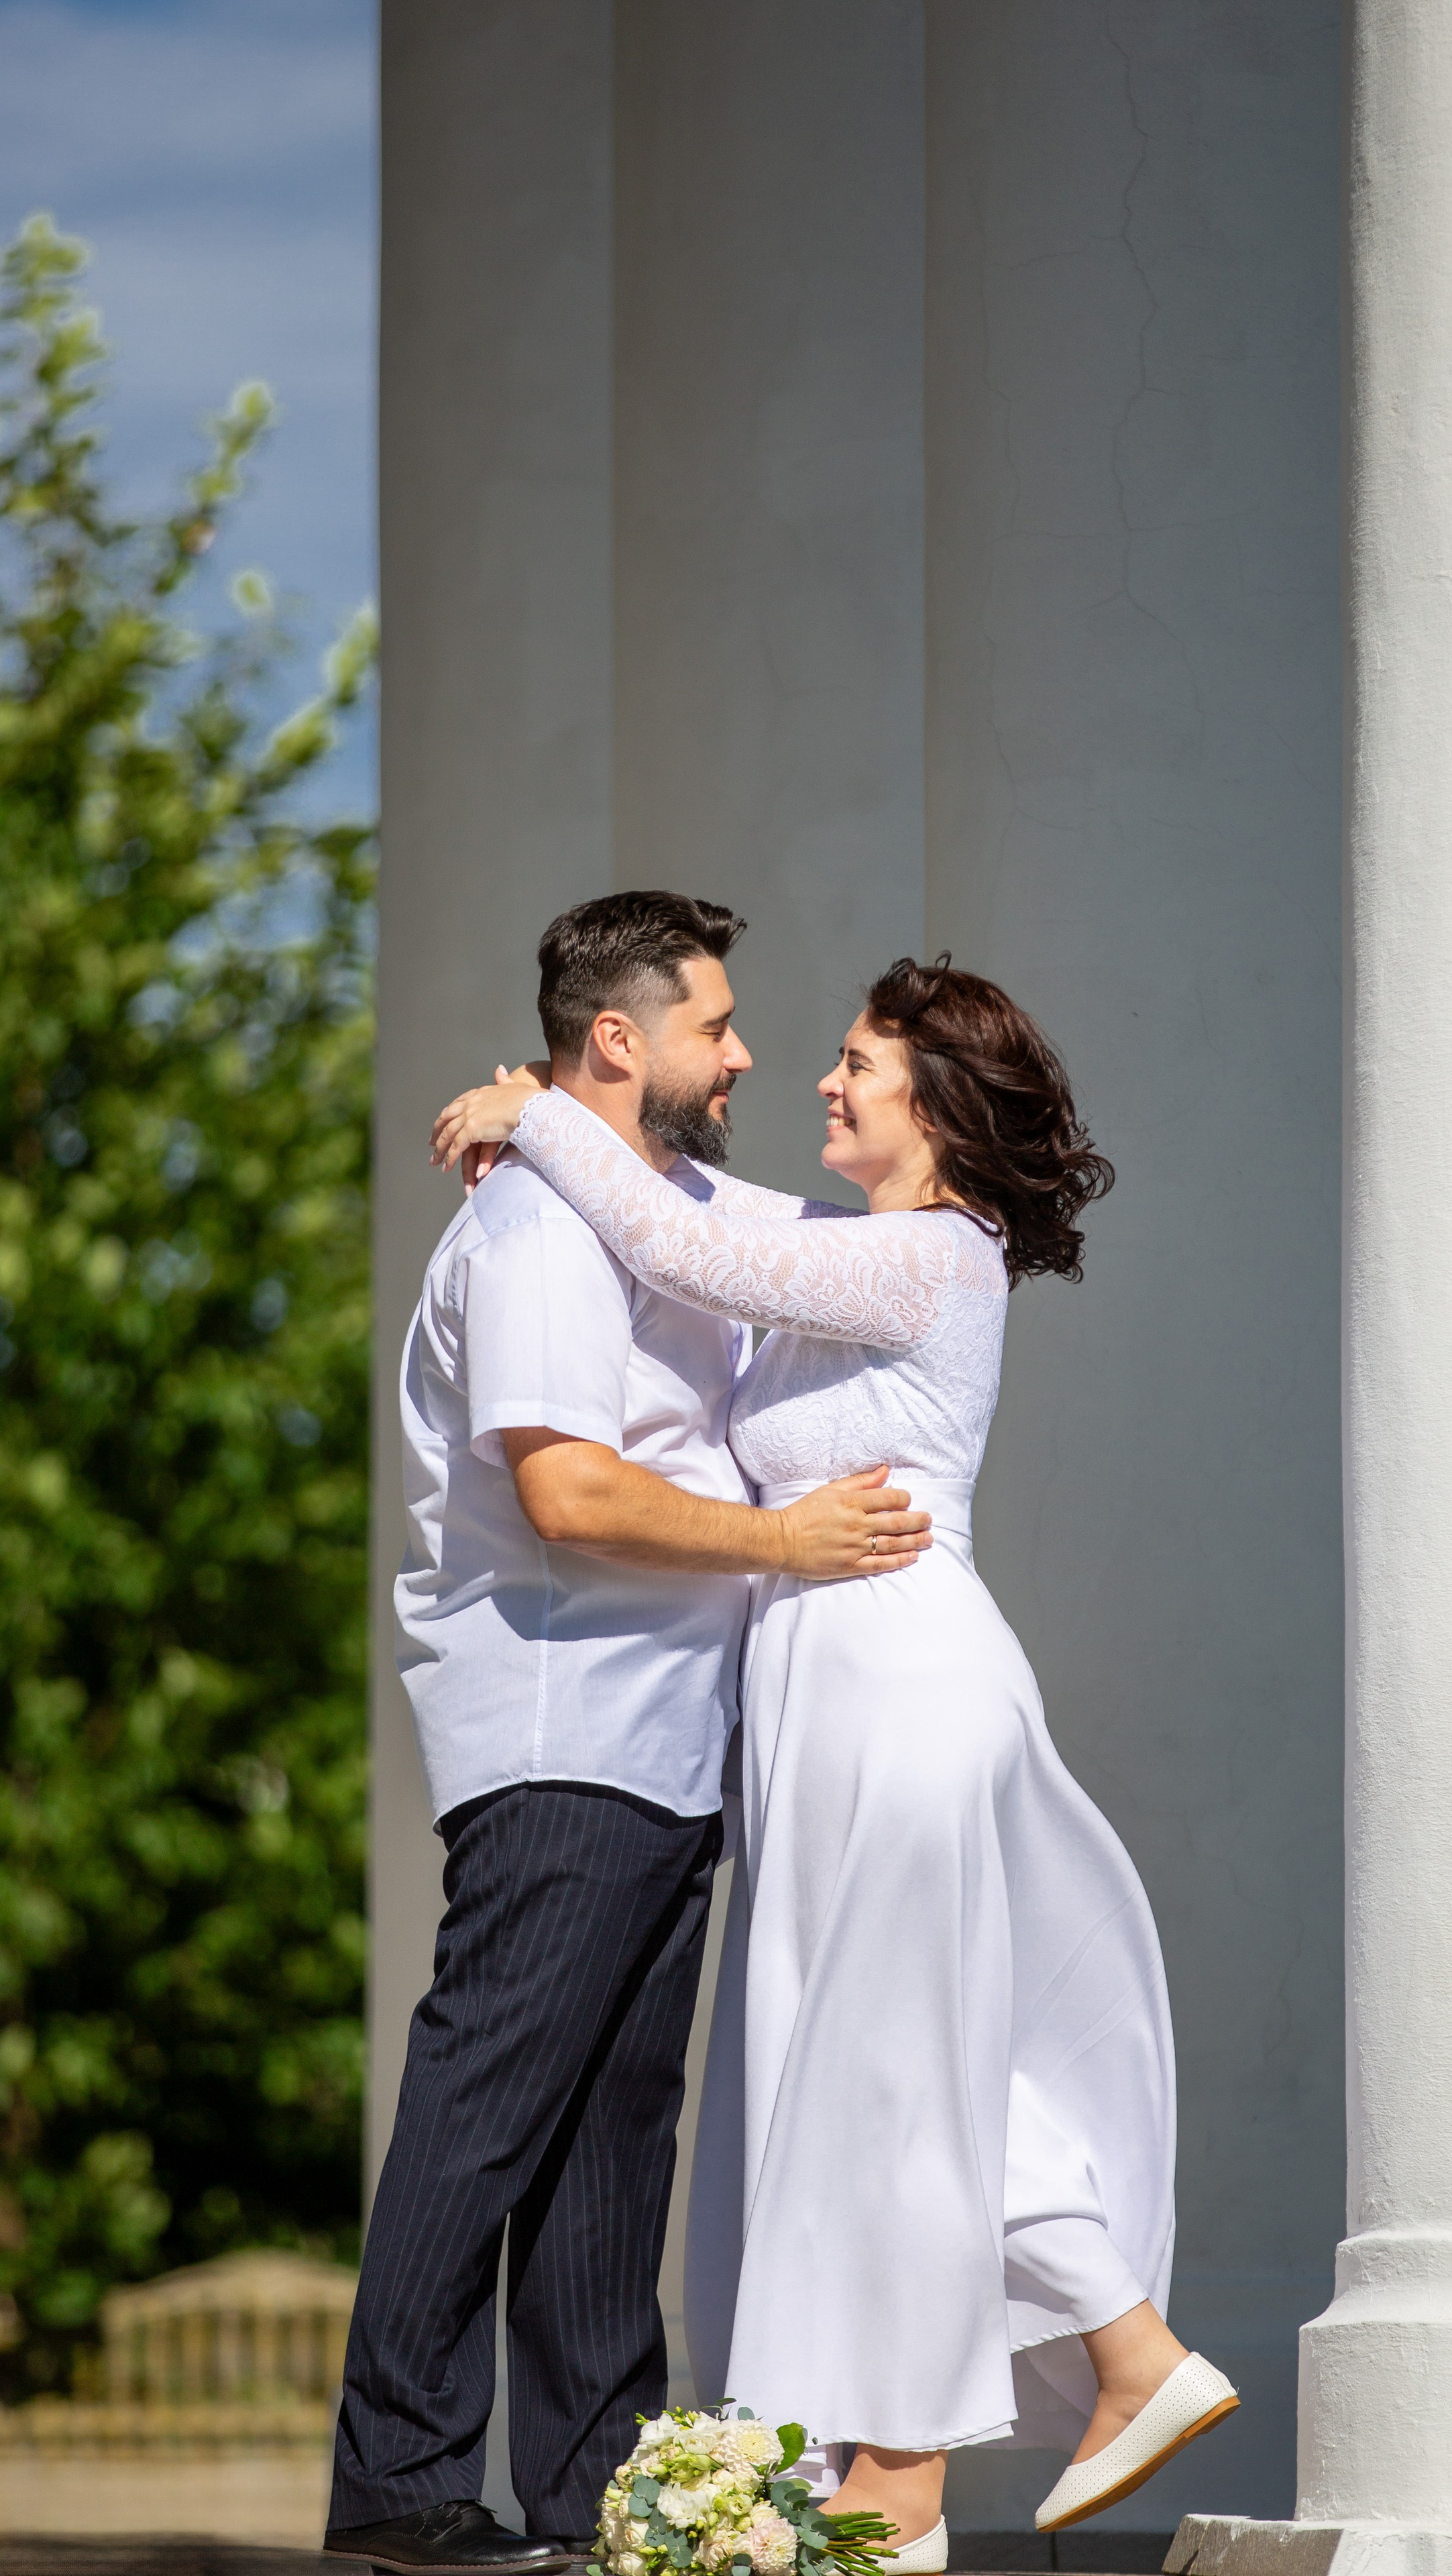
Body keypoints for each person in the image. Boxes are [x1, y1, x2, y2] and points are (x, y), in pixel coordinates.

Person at [429, 953, 1239, 2574]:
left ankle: (904, 2477)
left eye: (860, 1062)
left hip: (896, 1673)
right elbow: (698, 1207)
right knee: (875, 2053)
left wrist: (534, 1118)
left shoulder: (935, 1258)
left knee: (886, 2064)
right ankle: (1126, 2352)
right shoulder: (850, 1252)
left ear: (932, 1103)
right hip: (827, 1684)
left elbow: (669, 1240)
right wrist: (571, 1128)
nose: (822, 1078)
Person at [325, 894, 934, 2575]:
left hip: (667, 1746)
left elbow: (801, 1238)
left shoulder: (655, 1196)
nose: (744, 1052)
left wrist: (526, 1101)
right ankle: (397, 2483)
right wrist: (783, 1545)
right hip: (559, 1727)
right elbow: (567, 1490)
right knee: (491, 2106)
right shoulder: (534, 1229)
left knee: (611, 2136)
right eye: (717, 1025)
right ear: (621, 1041)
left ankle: (606, 2499)